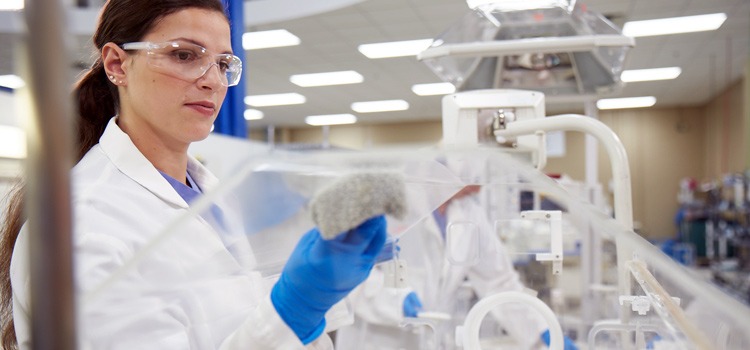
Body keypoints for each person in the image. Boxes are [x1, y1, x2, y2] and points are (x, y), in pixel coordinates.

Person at [0, 1, 386, 349]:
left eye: (222, 63)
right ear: (117, 64)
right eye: (185, 55)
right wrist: (292, 311)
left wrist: (320, 298)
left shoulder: (210, 196)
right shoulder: (82, 222)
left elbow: (233, 317)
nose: (213, 81)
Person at [336, 163, 578, 349]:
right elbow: (347, 271)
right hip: (375, 340)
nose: (483, 184)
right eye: (480, 171)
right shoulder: (390, 199)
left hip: (431, 339)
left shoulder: (469, 211)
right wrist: (396, 301)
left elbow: (498, 281)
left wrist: (542, 329)